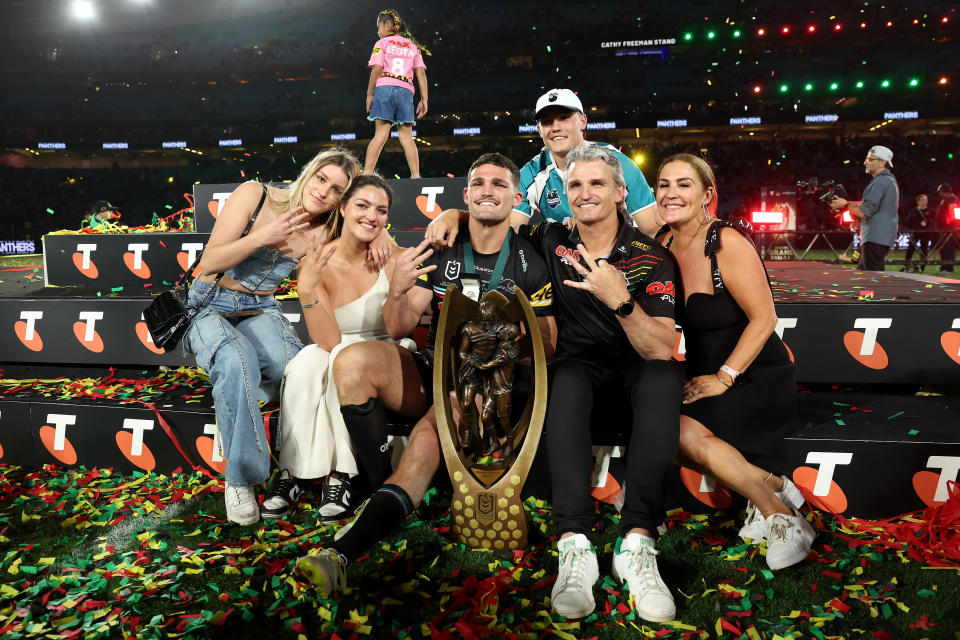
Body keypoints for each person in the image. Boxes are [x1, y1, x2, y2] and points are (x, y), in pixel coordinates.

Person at [424, 145, 683, 623]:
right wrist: (453, 213)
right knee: (564, 378)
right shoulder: (551, 239)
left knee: (664, 377)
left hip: (636, 365)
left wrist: (621, 301)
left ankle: (638, 542)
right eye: (576, 185)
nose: (585, 194)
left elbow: (661, 347)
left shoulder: (652, 258)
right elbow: (493, 212)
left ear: (621, 191)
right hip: (578, 365)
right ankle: (574, 544)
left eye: (598, 184)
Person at [293, 152, 556, 595]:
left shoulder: (532, 258)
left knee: (423, 444)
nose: (488, 189)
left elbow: (549, 344)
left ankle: (344, 551)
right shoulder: (442, 247)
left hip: (494, 382)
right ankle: (372, 485)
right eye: (478, 183)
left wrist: (498, 345)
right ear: (467, 195)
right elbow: (398, 327)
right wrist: (396, 292)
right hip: (437, 368)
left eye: (498, 183)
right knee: (350, 361)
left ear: (515, 196)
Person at [183, 148, 362, 526]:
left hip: (261, 308)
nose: (324, 192)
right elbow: (209, 262)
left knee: (297, 368)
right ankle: (241, 481)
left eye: (336, 190)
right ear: (308, 172)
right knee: (237, 360)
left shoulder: (327, 228)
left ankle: (254, 423)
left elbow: (372, 226)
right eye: (321, 179)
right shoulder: (256, 194)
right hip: (208, 302)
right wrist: (263, 236)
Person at [655, 153, 813, 572]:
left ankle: (781, 517)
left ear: (707, 194)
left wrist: (725, 377)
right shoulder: (661, 244)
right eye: (664, 183)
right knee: (654, 426)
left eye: (684, 184)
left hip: (755, 374)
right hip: (705, 374)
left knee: (681, 432)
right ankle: (778, 487)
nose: (671, 193)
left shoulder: (726, 242)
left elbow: (766, 318)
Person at [259, 174, 417, 522]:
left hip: (386, 350)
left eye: (381, 211)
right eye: (362, 206)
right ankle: (292, 473)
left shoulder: (393, 256)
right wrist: (307, 292)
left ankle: (340, 476)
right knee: (306, 363)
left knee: (343, 362)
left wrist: (384, 241)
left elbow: (399, 326)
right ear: (343, 208)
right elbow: (327, 341)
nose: (371, 216)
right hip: (335, 343)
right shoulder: (316, 261)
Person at [428, 89, 656, 241]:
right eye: (547, 121)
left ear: (583, 121)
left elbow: (652, 229)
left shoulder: (619, 164)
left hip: (624, 261)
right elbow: (508, 231)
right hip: (566, 267)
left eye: (564, 118)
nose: (555, 127)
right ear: (539, 129)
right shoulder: (532, 172)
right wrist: (455, 215)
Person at [364, 9, 429, 178]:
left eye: (378, 27)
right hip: (406, 90)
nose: (378, 32)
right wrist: (424, 99)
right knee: (407, 137)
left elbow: (377, 68)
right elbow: (421, 73)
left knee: (380, 135)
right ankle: (416, 176)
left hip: (385, 87)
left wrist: (370, 94)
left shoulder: (382, 43)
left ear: (388, 25)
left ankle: (367, 174)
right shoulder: (413, 46)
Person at [828, 145, 899, 271]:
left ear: (882, 162)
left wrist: (845, 205)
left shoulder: (880, 182)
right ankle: (867, 292)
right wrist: (847, 204)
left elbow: (863, 211)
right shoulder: (887, 181)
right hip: (878, 236)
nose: (865, 162)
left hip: (875, 237)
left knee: (871, 280)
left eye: (870, 159)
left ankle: (872, 292)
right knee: (863, 277)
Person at [901, 193, 933, 272]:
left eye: (926, 199)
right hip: (915, 233)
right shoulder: (914, 211)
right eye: (923, 199)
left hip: (925, 233)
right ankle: (906, 266)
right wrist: (911, 230)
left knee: (924, 250)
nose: (925, 201)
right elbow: (908, 222)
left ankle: (922, 268)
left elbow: (936, 220)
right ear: (918, 202)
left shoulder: (931, 211)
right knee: (910, 249)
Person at [935, 183, 958, 275]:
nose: (940, 193)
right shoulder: (947, 199)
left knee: (948, 248)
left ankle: (949, 268)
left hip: (948, 229)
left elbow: (954, 214)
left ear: (944, 190)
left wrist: (952, 226)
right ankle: (944, 268)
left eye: (940, 191)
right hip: (944, 228)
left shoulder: (952, 199)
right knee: (944, 249)